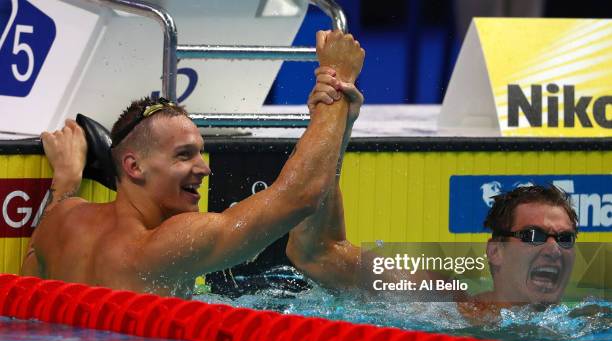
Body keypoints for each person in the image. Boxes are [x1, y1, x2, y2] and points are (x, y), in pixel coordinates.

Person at [20, 30, 365, 299]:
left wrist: (65, 178)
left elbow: (26, 284)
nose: (204, 168)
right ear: (133, 167)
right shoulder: (167, 245)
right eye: (184, 155)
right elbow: (300, 197)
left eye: (200, 153)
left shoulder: (62, 219)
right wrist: (336, 83)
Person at [287, 72, 579, 322]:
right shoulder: (441, 304)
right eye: (532, 235)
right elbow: (316, 254)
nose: (554, 249)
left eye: (565, 238)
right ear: (495, 252)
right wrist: (334, 125)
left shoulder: (588, 319)